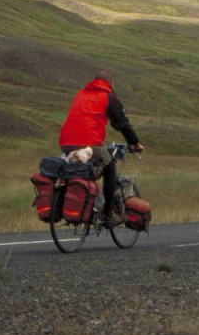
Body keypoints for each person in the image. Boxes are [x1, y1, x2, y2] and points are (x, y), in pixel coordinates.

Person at [58, 75, 144, 226]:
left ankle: (84, 204)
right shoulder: (107, 97)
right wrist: (135, 143)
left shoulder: (81, 94)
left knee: (79, 170)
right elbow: (122, 123)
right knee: (109, 167)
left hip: (66, 142)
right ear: (111, 83)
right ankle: (108, 213)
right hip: (89, 142)